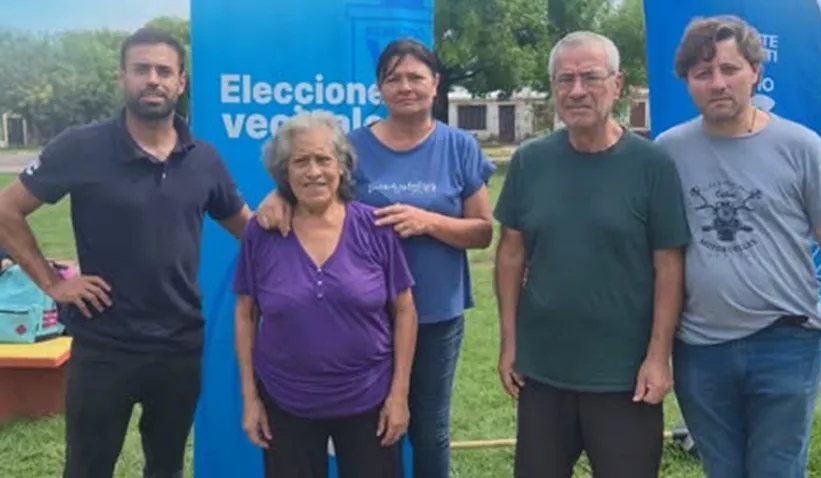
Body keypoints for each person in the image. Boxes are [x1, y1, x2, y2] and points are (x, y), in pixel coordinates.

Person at [0, 27, 251, 478]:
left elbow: (247, 230)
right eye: (141, 69)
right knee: (87, 468)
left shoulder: (204, 159)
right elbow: (7, 210)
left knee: (167, 468)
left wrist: (294, 214)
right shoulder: (81, 147)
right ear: (122, 77)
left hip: (179, 346)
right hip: (104, 346)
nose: (153, 79)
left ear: (181, 81)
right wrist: (53, 283)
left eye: (164, 71)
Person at [255, 38, 495, 478]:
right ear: (379, 89)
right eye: (393, 78)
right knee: (373, 433)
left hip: (434, 313)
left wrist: (428, 222)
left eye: (416, 77)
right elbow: (313, 177)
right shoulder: (356, 145)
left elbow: (482, 232)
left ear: (435, 84)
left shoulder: (459, 146)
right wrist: (277, 195)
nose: (405, 87)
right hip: (363, 318)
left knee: (429, 430)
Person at [493, 31, 690, 478]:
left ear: (617, 84)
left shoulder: (652, 165)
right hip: (544, 370)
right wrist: (509, 341)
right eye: (565, 79)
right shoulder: (530, 161)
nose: (577, 90)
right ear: (553, 88)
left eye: (590, 77)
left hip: (625, 375)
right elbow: (510, 254)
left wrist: (658, 356)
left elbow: (669, 265)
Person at [655, 15, 821, 478]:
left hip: (786, 340)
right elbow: (658, 252)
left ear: (755, 71)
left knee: (777, 470)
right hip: (700, 348)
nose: (717, 83)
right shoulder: (668, 153)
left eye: (729, 69)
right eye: (703, 73)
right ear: (687, 81)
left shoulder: (802, 147)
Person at [232, 110, 418, 478]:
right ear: (284, 173)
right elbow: (244, 314)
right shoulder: (262, 233)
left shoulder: (375, 227)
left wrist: (399, 395)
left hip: (370, 399)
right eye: (300, 161)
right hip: (286, 402)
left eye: (323, 159)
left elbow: (405, 311)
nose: (314, 171)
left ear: (342, 167)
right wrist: (250, 399)